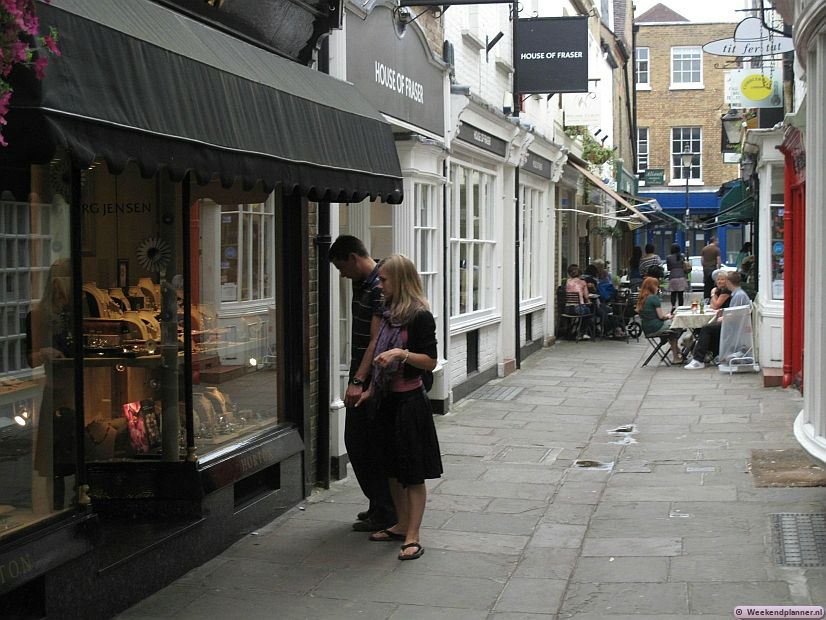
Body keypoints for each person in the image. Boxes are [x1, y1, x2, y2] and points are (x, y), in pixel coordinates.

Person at [357, 254, 441, 560]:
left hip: (409, 404)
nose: (380, 285)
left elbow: (429, 361)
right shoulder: (388, 311)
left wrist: (399, 353)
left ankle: (413, 535)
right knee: (391, 469)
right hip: (386, 401)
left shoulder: (419, 316)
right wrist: (368, 388)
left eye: (385, 280)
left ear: (401, 281)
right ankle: (401, 523)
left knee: (412, 472)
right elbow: (373, 349)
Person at [328, 235, 396, 532]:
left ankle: (386, 509)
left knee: (362, 442)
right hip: (363, 371)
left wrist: (358, 379)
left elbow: (375, 340)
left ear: (354, 258)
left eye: (342, 267)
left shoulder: (379, 288)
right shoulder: (362, 283)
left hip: (372, 375)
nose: (341, 274)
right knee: (361, 441)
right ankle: (378, 504)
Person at [26, 258, 76, 510]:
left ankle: (76, 503)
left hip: (76, 390)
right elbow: (30, 358)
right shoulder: (39, 315)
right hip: (55, 390)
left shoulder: (75, 312)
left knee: (76, 453)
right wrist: (45, 352)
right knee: (56, 459)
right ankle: (56, 509)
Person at [684, 271, 750, 369]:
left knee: (706, 328)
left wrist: (724, 317)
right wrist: (723, 312)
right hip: (734, 324)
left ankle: (698, 359)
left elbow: (736, 314)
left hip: (734, 326)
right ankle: (709, 355)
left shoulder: (738, 295)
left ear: (728, 282)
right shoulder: (737, 293)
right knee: (709, 327)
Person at [635, 276, 682, 364]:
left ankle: (673, 347)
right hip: (656, 326)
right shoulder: (654, 298)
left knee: (671, 331)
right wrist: (668, 316)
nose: (658, 288)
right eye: (656, 285)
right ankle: (676, 355)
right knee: (676, 326)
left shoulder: (642, 298)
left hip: (647, 328)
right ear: (652, 287)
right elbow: (661, 317)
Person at [565, 264, 593, 340]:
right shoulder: (582, 282)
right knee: (588, 312)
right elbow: (586, 297)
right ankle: (582, 333)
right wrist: (588, 301)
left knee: (585, 312)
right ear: (579, 273)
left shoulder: (567, 281)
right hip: (577, 309)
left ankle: (573, 329)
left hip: (567, 309)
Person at [665, 244, 689, 308]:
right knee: (680, 295)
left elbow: (669, 268)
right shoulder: (682, 256)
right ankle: (680, 307)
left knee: (673, 294)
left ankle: (673, 307)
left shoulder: (668, 257)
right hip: (681, 276)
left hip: (673, 277)